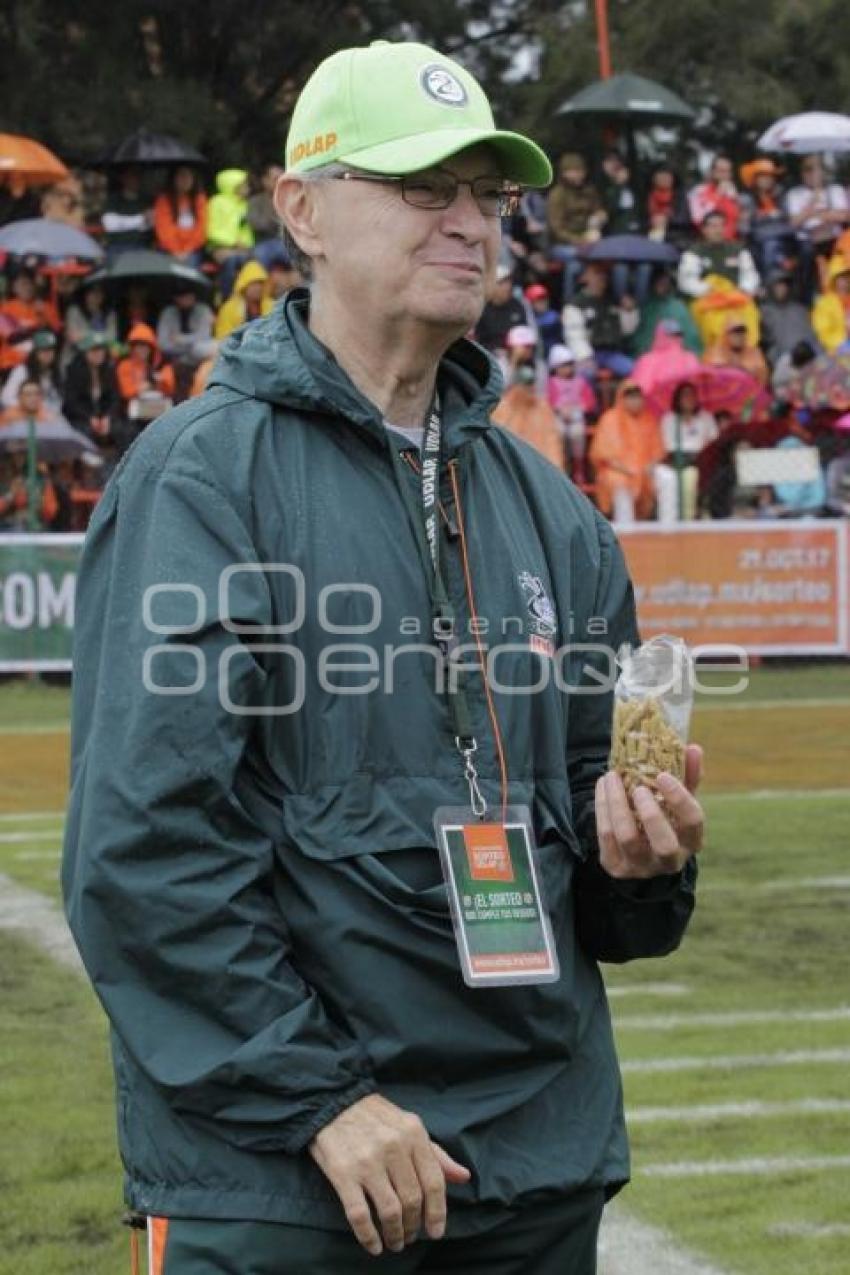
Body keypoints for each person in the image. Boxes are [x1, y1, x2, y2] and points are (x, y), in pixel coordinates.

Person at [63, 38, 704, 1275]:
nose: (468, 221)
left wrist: (643, 858)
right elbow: (144, 849)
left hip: (533, 1165)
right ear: (301, 210)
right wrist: (315, 1104)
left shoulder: (551, 508)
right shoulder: (201, 477)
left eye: (488, 193)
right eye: (423, 188)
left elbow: (611, 887)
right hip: (292, 1183)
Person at [589, 381, 665, 522]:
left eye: (637, 396)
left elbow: (658, 451)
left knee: (667, 477)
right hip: (619, 470)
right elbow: (604, 457)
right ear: (621, 398)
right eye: (630, 397)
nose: (634, 401)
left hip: (646, 470)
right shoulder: (609, 419)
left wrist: (650, 465)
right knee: (620, 483)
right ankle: (626, 529)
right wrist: (628, 470)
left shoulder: (650, 419)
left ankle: (670, 525)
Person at [785, 154, 850, 299]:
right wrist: (812, 206)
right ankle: (810, 295)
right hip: (808, 241)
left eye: (814, 169)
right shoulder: (794, 194)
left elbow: (845, 216)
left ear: (823, 171)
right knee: (807, 254)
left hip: (834, 238)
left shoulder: (835, 190)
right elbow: (794, 222)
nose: (811, 174)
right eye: (807, 170)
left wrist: (819, 215)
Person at [655, 381, 719, 522]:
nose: (689, 399)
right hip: (676, 461)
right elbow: (667, 445)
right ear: (677, 399)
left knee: (692, 478)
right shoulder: (669, 419)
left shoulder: (705, 418)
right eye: (685, 396)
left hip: (701, 461)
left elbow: (714, 441)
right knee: (667, 479)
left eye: (692, 395)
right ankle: (668, 524)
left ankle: (690, 520)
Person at [563, 262, 638, 380]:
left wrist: (629, 311)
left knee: (635, 370)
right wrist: (585, 356)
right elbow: (574, 335)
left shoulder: (613, 300)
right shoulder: (575, 305)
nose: (602, 277)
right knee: (586, 375)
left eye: (604, 274)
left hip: (613, 353)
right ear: (584, 277)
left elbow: (627, 330)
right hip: (589, 353)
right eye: (597, 273)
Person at [546, 153, 606, 301]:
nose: (579, 175)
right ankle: (570, 303)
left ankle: (598, 302)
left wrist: (600, 215)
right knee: (575, 264)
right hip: (562, 245)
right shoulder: (557, 195)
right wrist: (579, 240)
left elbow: (598, 209)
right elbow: (557, 229)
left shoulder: (589, 191)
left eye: (581, 171)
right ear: (565, 173)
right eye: (574, 171)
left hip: (590, 240)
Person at [546, 343, 596, 483]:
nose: (567, 369)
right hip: (558, 416)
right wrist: (559, 409)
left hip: (576, 416)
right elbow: (549, 402)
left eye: (569, 365)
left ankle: (578, 467)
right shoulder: (552, 383)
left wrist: (578, 409)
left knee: (577, 433)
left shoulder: (580, 382)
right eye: (563, 366)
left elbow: (590, 403)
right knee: (559, 432)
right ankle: (562, 464)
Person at [62, 331, 120, 447]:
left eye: (101, 350)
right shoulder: (73, 370)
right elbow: (71, 403)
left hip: (103, 417)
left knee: (124, 430)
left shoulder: (109, 370)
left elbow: (114, 398)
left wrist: (107, 417)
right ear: (85, 352)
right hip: (81, 418)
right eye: (94, 350)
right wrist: (89, 418)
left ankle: (121, 463)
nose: (99, 354)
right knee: (83, 431)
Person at [632, 269, 702, 356]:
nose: (662, 286)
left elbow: (690, 338)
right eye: (660, 282)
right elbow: (640, 335)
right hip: (647, 356)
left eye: (665, 283)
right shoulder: (646, 305)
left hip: (672, 357)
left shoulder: (677, 307)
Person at [207, 168, 254, 296]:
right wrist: (233, 243)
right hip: (219, 246)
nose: (247, 188)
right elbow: (212, 229)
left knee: (250, 261)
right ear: (234, 186)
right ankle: (227, 297)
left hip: (242, 248)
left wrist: (245, 245)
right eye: (244, 185)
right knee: (231, 261)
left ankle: (246, 297)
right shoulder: (216, 202)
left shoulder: (245, 204)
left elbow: (246, 231)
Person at [156, 285, 217, 380]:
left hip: (200, 355)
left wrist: (181, 339)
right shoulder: (168, 312)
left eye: (190, 296)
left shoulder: (203, 310)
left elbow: (204, 337)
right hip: (174, 358)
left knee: (207, 348)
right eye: (183, 297)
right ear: (176, 298)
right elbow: (163, 344)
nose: (187, 299)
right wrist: (188, 348)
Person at [759, 270, 820, 366]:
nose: (781, 289)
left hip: (809, 358)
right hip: (784, 362)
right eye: (777, 285)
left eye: (784, 285)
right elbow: (765, 344)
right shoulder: (763, 313)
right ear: (770, 287)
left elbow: (813, 338)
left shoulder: (800, 309)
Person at [153, 166, 208, 266]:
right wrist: (175, 251)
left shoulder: (200, 199)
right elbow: (164, 228)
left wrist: (187, 250)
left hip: (192, 250)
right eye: (182, 176)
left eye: (189, 177)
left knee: (189, 267)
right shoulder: (164, 200)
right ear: (174, 179)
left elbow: (201, 228)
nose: (186, 180)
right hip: (168, 249)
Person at [0, 329, 64, 414]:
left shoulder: (55, 372)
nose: (48, 354)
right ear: (35, 352)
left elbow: (58, 401)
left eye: (51, 350)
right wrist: (29, 407)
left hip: (50, 419)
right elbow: (6, 398)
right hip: (25, 417)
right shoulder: (22, 371)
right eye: (43, 350)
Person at [115, 322, 176, 407]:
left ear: (151, 348)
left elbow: (170, 389)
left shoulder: (161, 365)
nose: (142, 349)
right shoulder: (125, 365)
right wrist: (142, 388)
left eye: (145, 346)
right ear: (132, 348)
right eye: (138, 346)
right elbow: (126, 392)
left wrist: (160, 381)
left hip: (157, 408)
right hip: (132, 412)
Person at [474, 262, 531, 353]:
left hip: (519, 354)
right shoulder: (481, 309)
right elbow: (480, 341)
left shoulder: (517, 305)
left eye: (508, 282)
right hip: (492, 355)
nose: (507, 287)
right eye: (501, 283)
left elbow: (527, 333)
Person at [101, 166, 153, 259]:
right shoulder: (113, 200)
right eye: (131, 176)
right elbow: (110, 224)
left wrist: (123, 223)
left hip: (142, 247)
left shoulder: (146, 200)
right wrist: (141, 219)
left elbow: (150, 224)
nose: (135, 180)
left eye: (137, 176)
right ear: (123, 178)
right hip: (117, 247)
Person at [213, 260, 274, 339]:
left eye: (260, 283)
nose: (258, 288)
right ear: (244, 286)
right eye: (253, 283)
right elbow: (222, 336)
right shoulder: (229, 308)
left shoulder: (273, 306)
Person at [687, 154, 742, 240]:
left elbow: (738, 221)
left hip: (732, 242)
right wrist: (718, 195)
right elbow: (698, 220)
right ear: (712, 171)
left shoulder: (733, 193)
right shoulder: (698, 191)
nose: (724, 174)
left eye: (727, 171)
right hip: (707, 242)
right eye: (720, 170)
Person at [704, 318, 769, 386]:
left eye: (742, 332)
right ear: (726, 334)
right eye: (735, 332)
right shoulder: (715, 351)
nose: (739, 336)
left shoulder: (754, 352)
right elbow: (712, 374)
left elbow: (762, 377)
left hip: (749, 391)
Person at [246, 163, 287, 267]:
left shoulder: (291, 199)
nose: (280, 181)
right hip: (265, 243)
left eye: (282, 177)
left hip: (288, 243)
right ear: (265, 180)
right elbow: (255, 224)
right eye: (275, 178)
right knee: (258, 258)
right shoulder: (255, 201)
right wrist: (278, 220)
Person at [811, 254, 850, 353]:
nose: (846, 281)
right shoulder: (824, 304)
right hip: (840, 352)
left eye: (847, 276)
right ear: (834, 279)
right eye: (842, 277)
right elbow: (823, 332)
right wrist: (844, 341)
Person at [524, 282, 563, 355]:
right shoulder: (527, 318)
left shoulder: (554, 315)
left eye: (544, 299)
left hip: (555, 352)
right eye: (538, 301)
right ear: (530, 303)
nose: (542, 303)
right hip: (538, 354)